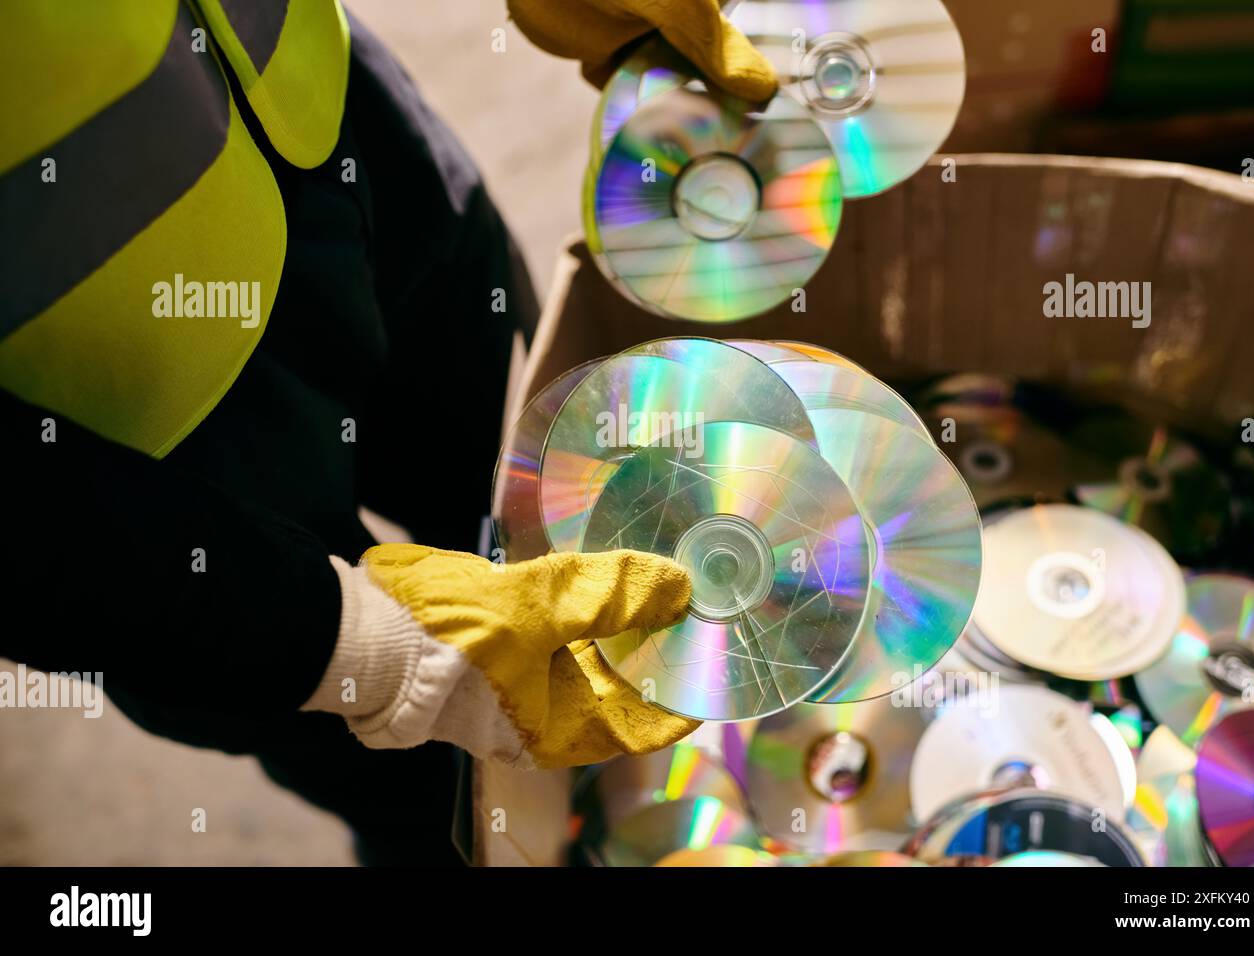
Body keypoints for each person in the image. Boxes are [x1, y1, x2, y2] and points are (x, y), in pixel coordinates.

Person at [0, 1, 776, 865]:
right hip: (135, 447)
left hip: (338, 127)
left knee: (545, 470)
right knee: (420, 778)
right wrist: (355, 648)